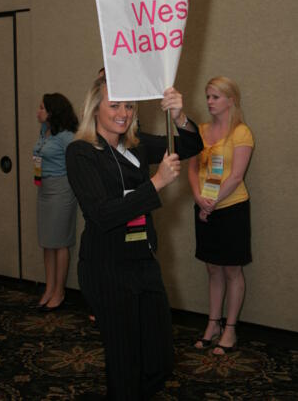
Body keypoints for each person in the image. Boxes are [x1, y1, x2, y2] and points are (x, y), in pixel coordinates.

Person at [66, 74, 203, 400]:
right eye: (114, 105)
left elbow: (190, 145)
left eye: (129, 105)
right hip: (106, 267)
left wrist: (178, 115)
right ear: (95, 107)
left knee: (159, 357)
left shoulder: (136, 145)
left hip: (142, 259)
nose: (123, 113)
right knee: (125, 360)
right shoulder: (81, 153)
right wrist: (155, 183)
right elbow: (102, 215)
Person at [187, 76, 254, 355]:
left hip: (231, 208)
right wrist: (198, 197)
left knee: (231, 269)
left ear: (231, 100)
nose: (209, 102)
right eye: (208, 97)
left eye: (215, 97)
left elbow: (236, 176)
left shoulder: (241, 132)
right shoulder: (200, 131)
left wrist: (211, 203)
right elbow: (191, 169)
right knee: (212, 267)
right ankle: (213, 324)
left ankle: (230, 329)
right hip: (204, 206)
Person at [33, 93, 78, 311]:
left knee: (59, 241)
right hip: (44, 190)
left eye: (41, 108)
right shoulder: (45, 131)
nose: (37, 111)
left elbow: (78, 162)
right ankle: (49, 288)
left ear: (51, 112)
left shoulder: (67, 136)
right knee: (47, 241)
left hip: (62, 191)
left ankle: (59, 291)